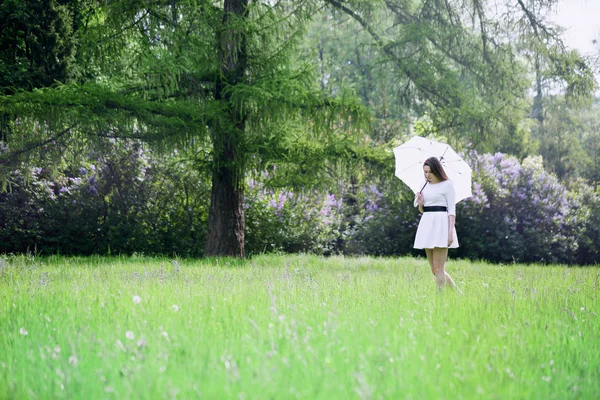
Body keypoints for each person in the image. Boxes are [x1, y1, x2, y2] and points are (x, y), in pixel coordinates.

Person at [414, 157, 461, 292]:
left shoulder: (447, 184)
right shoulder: (424, 186)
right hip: (427, 224)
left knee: (439, 268)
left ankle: (440, 299)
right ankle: (457, 292)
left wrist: (450, 231)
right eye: (425, 172)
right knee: (434, 270)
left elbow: (451, 210)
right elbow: (422, 210)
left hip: (442, 225)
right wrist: (421, 202)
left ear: (437, 171)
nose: (427, 175)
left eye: (430, 172)